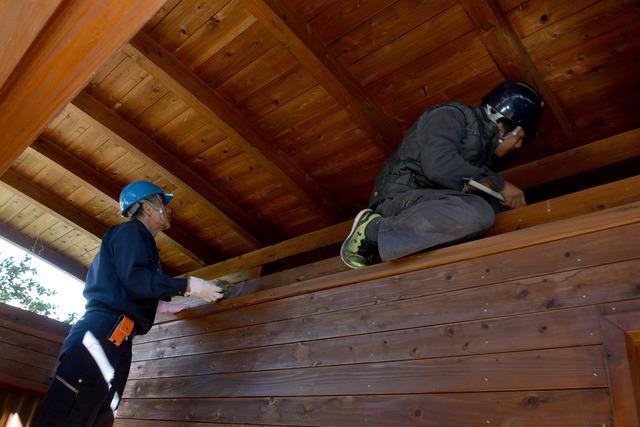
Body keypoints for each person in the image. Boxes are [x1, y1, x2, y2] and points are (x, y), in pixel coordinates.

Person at [37, 181, 224, 426]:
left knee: (99, 415)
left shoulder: (139, 242)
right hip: (101, 334)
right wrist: (190, 286)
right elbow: (135, 280)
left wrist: (162, 306)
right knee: (72, 413)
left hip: (118, 339)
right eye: (162, 204)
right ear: (147, 208)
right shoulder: (131, 232)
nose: (169, 210)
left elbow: (127, 288)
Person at [340, 80, 543, 269]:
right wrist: (499, 185)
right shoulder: (451, 115)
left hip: (430, 206)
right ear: (502, 124)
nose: (518, 146)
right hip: (399, 201)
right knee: (478, 212)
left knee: (491, 211)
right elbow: (439, 165)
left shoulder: (482, 157)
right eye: (520, 138)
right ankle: (372, 230)